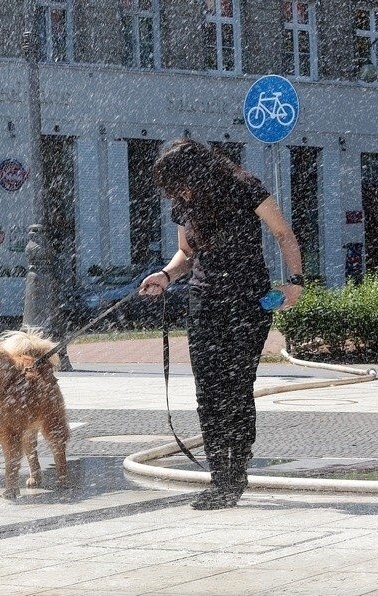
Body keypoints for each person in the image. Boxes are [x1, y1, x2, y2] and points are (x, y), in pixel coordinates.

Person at [139, 138, 304, 510]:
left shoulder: (245, 187)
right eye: (173, 189)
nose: (178, 194)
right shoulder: (185, 204)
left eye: (180, 184)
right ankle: (220, 478)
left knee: (236, 387)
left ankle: (236, 468)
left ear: (199, 173)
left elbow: (283, 234)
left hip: (247, 301)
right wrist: (165, 275)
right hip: (204, 299)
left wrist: (295, 281)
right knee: (208, 392)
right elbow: (187, 252)